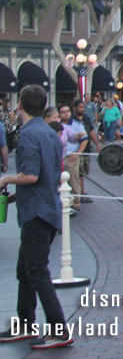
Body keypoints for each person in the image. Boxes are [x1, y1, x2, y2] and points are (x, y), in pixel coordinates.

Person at [0, 85, 74, 349]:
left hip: (36, 213)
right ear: (44, 107)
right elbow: (46, 177)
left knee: (36, 271)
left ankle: (59, 329)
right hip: (47, 207)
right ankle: (25, 322)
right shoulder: (52, 134)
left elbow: (31, 175)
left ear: (19, 105)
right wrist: (15, 195)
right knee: (26, 270)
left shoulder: (29, 135)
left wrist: (6, 179)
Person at [58, 104, 88, 212]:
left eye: (67, 111)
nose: (65, 114)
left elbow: (84, 139)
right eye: (62, 112)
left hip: (71, 156)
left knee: (73, 180)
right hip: (60, 157)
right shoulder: (58, 125)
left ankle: (75, 203)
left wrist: (78, 153)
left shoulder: (76, 124)